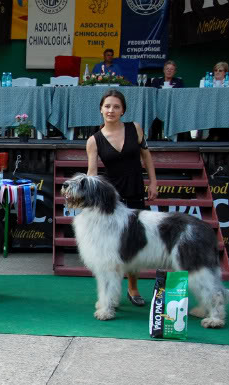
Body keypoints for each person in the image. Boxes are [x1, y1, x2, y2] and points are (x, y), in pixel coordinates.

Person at [86, 90, 158, 307]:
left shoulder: (134, 128)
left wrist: (153, 182)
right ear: (101, 109)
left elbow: (146, 156)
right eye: (107, 106)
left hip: (135, 190)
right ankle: (110, 292)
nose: (111, 110)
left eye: (116, 106)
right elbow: (92, 173)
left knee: (133, 243)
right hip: (110, 200)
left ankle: (133, 287)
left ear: (123, 110)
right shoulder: (93, 140)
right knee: (111, 248)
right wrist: (91, 200)